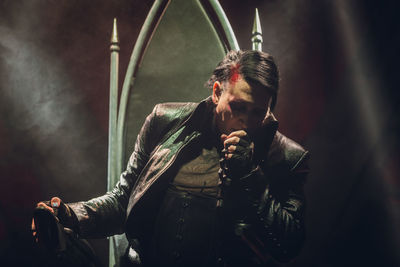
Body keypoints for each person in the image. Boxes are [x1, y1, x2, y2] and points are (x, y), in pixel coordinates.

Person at [32, 50, 309, 266]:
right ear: (216, 92)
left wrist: (249, 175)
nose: (246, 121)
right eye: (238, 107)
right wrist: (72, 215)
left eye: (258, 113)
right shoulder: (165, 121)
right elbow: (123, 201)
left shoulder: (286, 157)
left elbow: (288, 246)